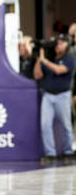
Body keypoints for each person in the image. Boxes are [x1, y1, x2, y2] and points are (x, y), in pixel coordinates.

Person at [33, 34, 75, 162]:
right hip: (48, 95)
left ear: (67, 45)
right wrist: (40, 59)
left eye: (62, 43)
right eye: (57, 43)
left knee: (66, 125)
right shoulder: (49, 58)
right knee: (45, 124)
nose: (59, 45)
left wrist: (45, 60)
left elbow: (59, 70)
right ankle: (50, 153)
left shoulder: (70, 58)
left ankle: (68, 151)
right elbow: (37, 75)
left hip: (63, 95)